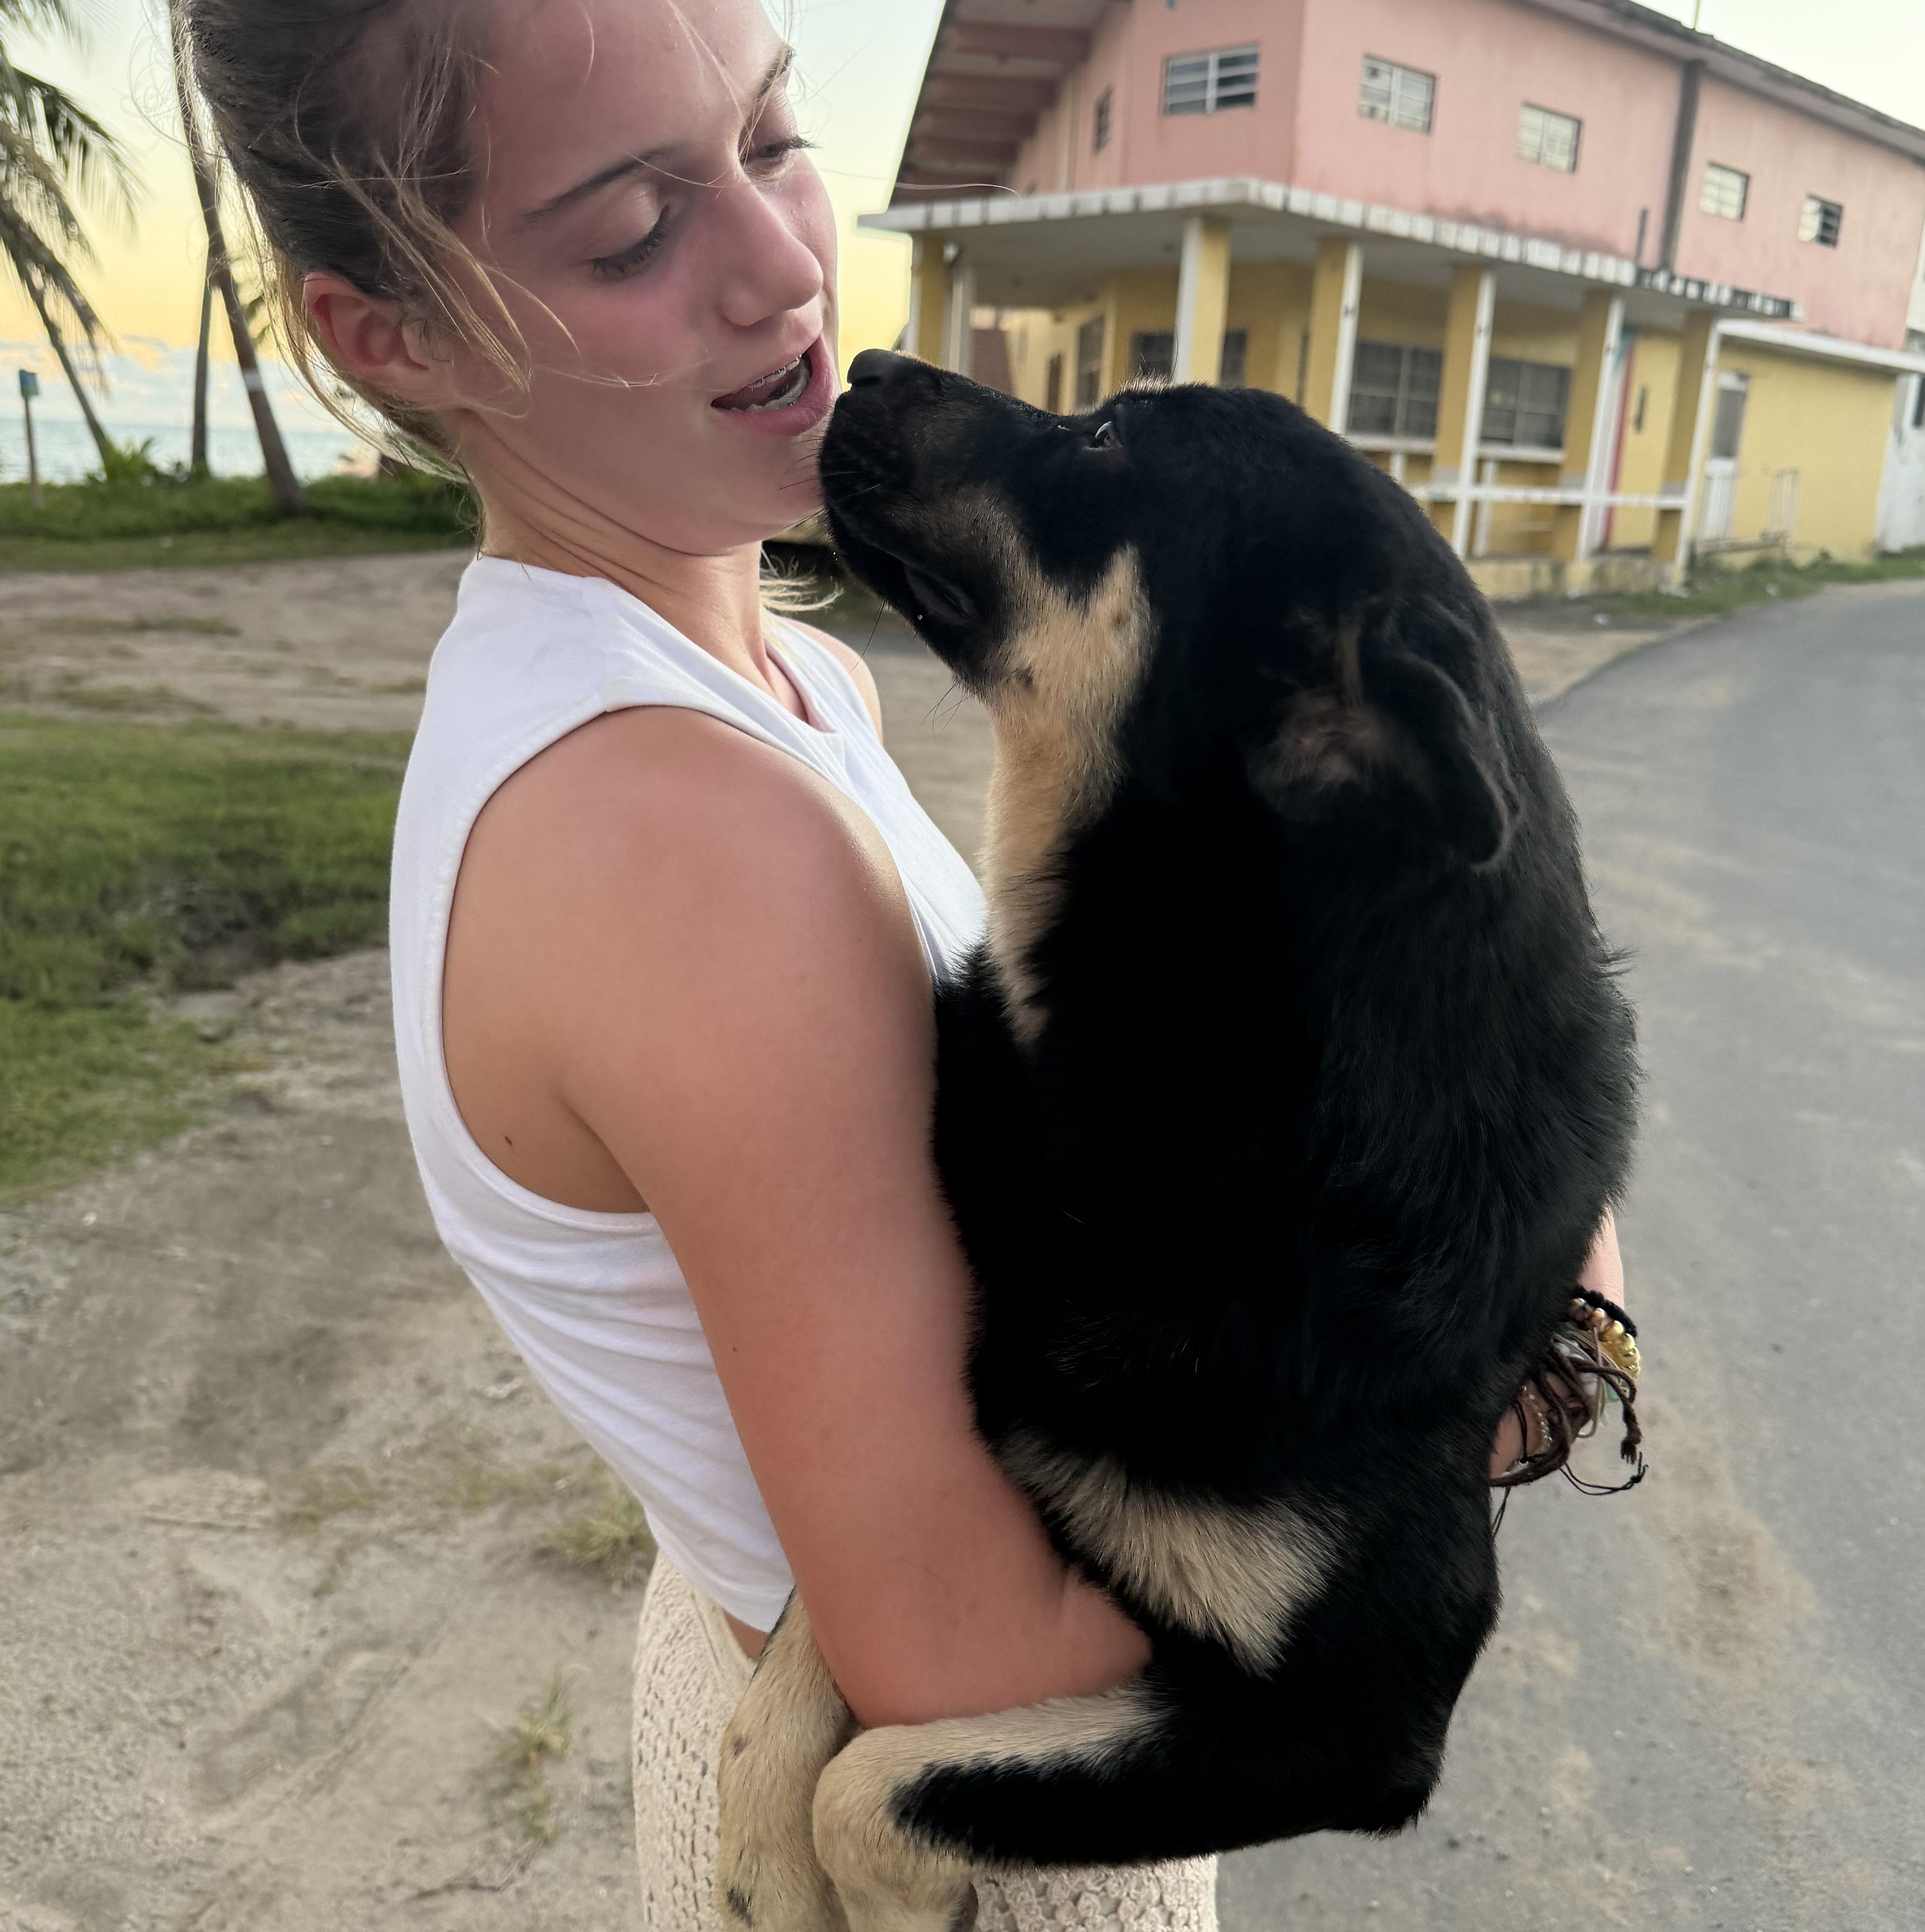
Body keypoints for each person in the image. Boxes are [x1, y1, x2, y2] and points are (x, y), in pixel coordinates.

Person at [176, 2, 1622, 1926]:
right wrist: (1531, 1335)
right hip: (975, 1811)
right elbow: (964, 1640)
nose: (783, 264)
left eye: (772, 136)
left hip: (857, 1704)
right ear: (396, 332)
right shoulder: (680, 842)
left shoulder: (786, 682)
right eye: (629, 228)